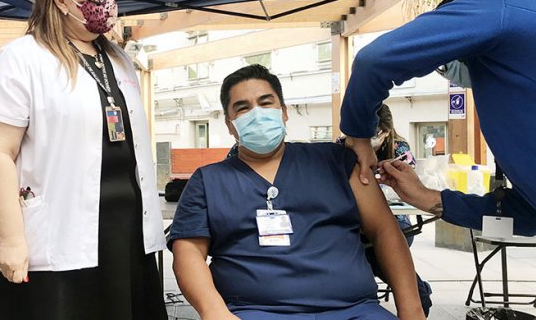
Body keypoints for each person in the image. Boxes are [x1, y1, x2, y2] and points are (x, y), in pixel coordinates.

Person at [0, 0, 167, 319]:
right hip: (60, 232)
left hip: (126, 233)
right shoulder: (23, 57)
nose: (106, 4)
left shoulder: (117, 57)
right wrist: (11, 239)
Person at [339, 0, 536, 248]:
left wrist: (359, 137)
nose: (450, 74)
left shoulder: (495, 4)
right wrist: (427, 197)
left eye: (444, 63)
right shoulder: (523, 93)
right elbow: (526, 218)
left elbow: (374, 61)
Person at [169, 65, 425, 320]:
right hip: (254, 313)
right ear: (229, 124)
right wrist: (214, 311)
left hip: (354, 311)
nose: (256, 114)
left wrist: (412, 311)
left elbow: (385, 231)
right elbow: (188, 252)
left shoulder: (337, 163)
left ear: (284, 113)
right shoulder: (208, 181)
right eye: (243, 107)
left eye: (266, 103)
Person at [338, 104, 433, 316]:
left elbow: (410, 187)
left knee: (377, 246)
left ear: (386, 132)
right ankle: (416, 293)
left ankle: (416, 295)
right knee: (361, 249)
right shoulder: (342, 149)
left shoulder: (399, 150)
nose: (362, 141)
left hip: (392, 219)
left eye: (372, 135)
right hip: (354, 220)